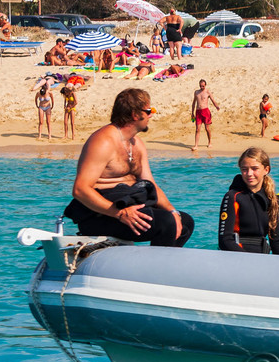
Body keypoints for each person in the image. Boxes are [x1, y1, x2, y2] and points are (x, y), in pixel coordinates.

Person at [64, 88, 193, 247]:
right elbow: (80, 189)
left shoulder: (137, 144)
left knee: (184, 221)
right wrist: (119, 213)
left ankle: (156, 265)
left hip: (128, 204)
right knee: (166, 223)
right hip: (100, 215)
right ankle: (154, 270)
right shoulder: (103, 142)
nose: (151, 115)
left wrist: (173, 212)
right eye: (149, 110)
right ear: (135, 115)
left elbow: (150, 184)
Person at [219, 146, 279, 253]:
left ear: (266, 170)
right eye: (244, 169)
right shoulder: (232, 197)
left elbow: (277, 241)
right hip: (237, 257)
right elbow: (225, 240)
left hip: (261, 257)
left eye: (254, 169)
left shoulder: (271, 199)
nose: (249, 174)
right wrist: (248, 259)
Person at [190, 79, 219, 150]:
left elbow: (213, 100)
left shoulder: (207, 92)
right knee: (197, 129)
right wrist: (192, 112)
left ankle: (209, 142)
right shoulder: (196, 92)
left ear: (205, 85)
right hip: (198, 112)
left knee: (207, 128)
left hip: (206, 112)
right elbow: (194, 103)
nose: (202, 87)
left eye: (203, 86)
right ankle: (196, 145)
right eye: (200, 86)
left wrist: (216, 106)